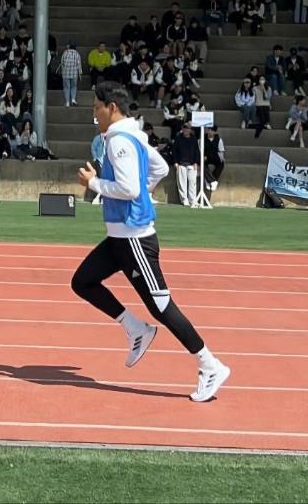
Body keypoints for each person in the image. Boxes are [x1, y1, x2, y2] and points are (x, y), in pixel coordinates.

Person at [72, 85, 230, 403]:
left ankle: (210, 364)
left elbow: (129, 189)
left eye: (97, 106)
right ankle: (136, 329)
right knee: (83, 281)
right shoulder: (134, 135)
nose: (94, 113)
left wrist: (94, 183)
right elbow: (159, 168)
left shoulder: (120, 140)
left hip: (134, 239)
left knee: (161, 306)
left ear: (112, 107)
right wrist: (145, 189)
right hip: (120, 237)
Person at [172, 122, 200, 207]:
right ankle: (184, 200)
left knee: (192, 183)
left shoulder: (194, 139)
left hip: (191, 163)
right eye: (184, 128)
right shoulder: (178, 138)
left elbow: (197, 151)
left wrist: (196, 162)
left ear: (190, 130)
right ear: (182, 129)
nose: (186, 129)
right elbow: (174, 151)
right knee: (182, 183)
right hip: (181, 163)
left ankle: (193, 200)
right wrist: (175, 162)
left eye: (187, 128)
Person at [59, 42, 82, 107]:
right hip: (74, 74)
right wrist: (80, 74)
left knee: (66, 87)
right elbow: (79, 65)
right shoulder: (77, 54)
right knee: (73, 87)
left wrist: (62, 71)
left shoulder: (65, 53)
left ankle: (67, 102)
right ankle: (73, 100)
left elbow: (62, 63)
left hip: (65, 73)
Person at [203, 125, 225, 192]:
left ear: (215, 132)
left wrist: (221, 158)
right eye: (209, 130)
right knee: (201, 163)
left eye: (212, 130)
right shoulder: (203, 138)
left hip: (215, 157)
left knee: (221, 163)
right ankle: (212, 181)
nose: (210, 132)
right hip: (206, 157)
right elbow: (200, 149)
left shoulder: (219, 139)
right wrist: (203, 155)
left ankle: (209, 180)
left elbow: (221, 151)